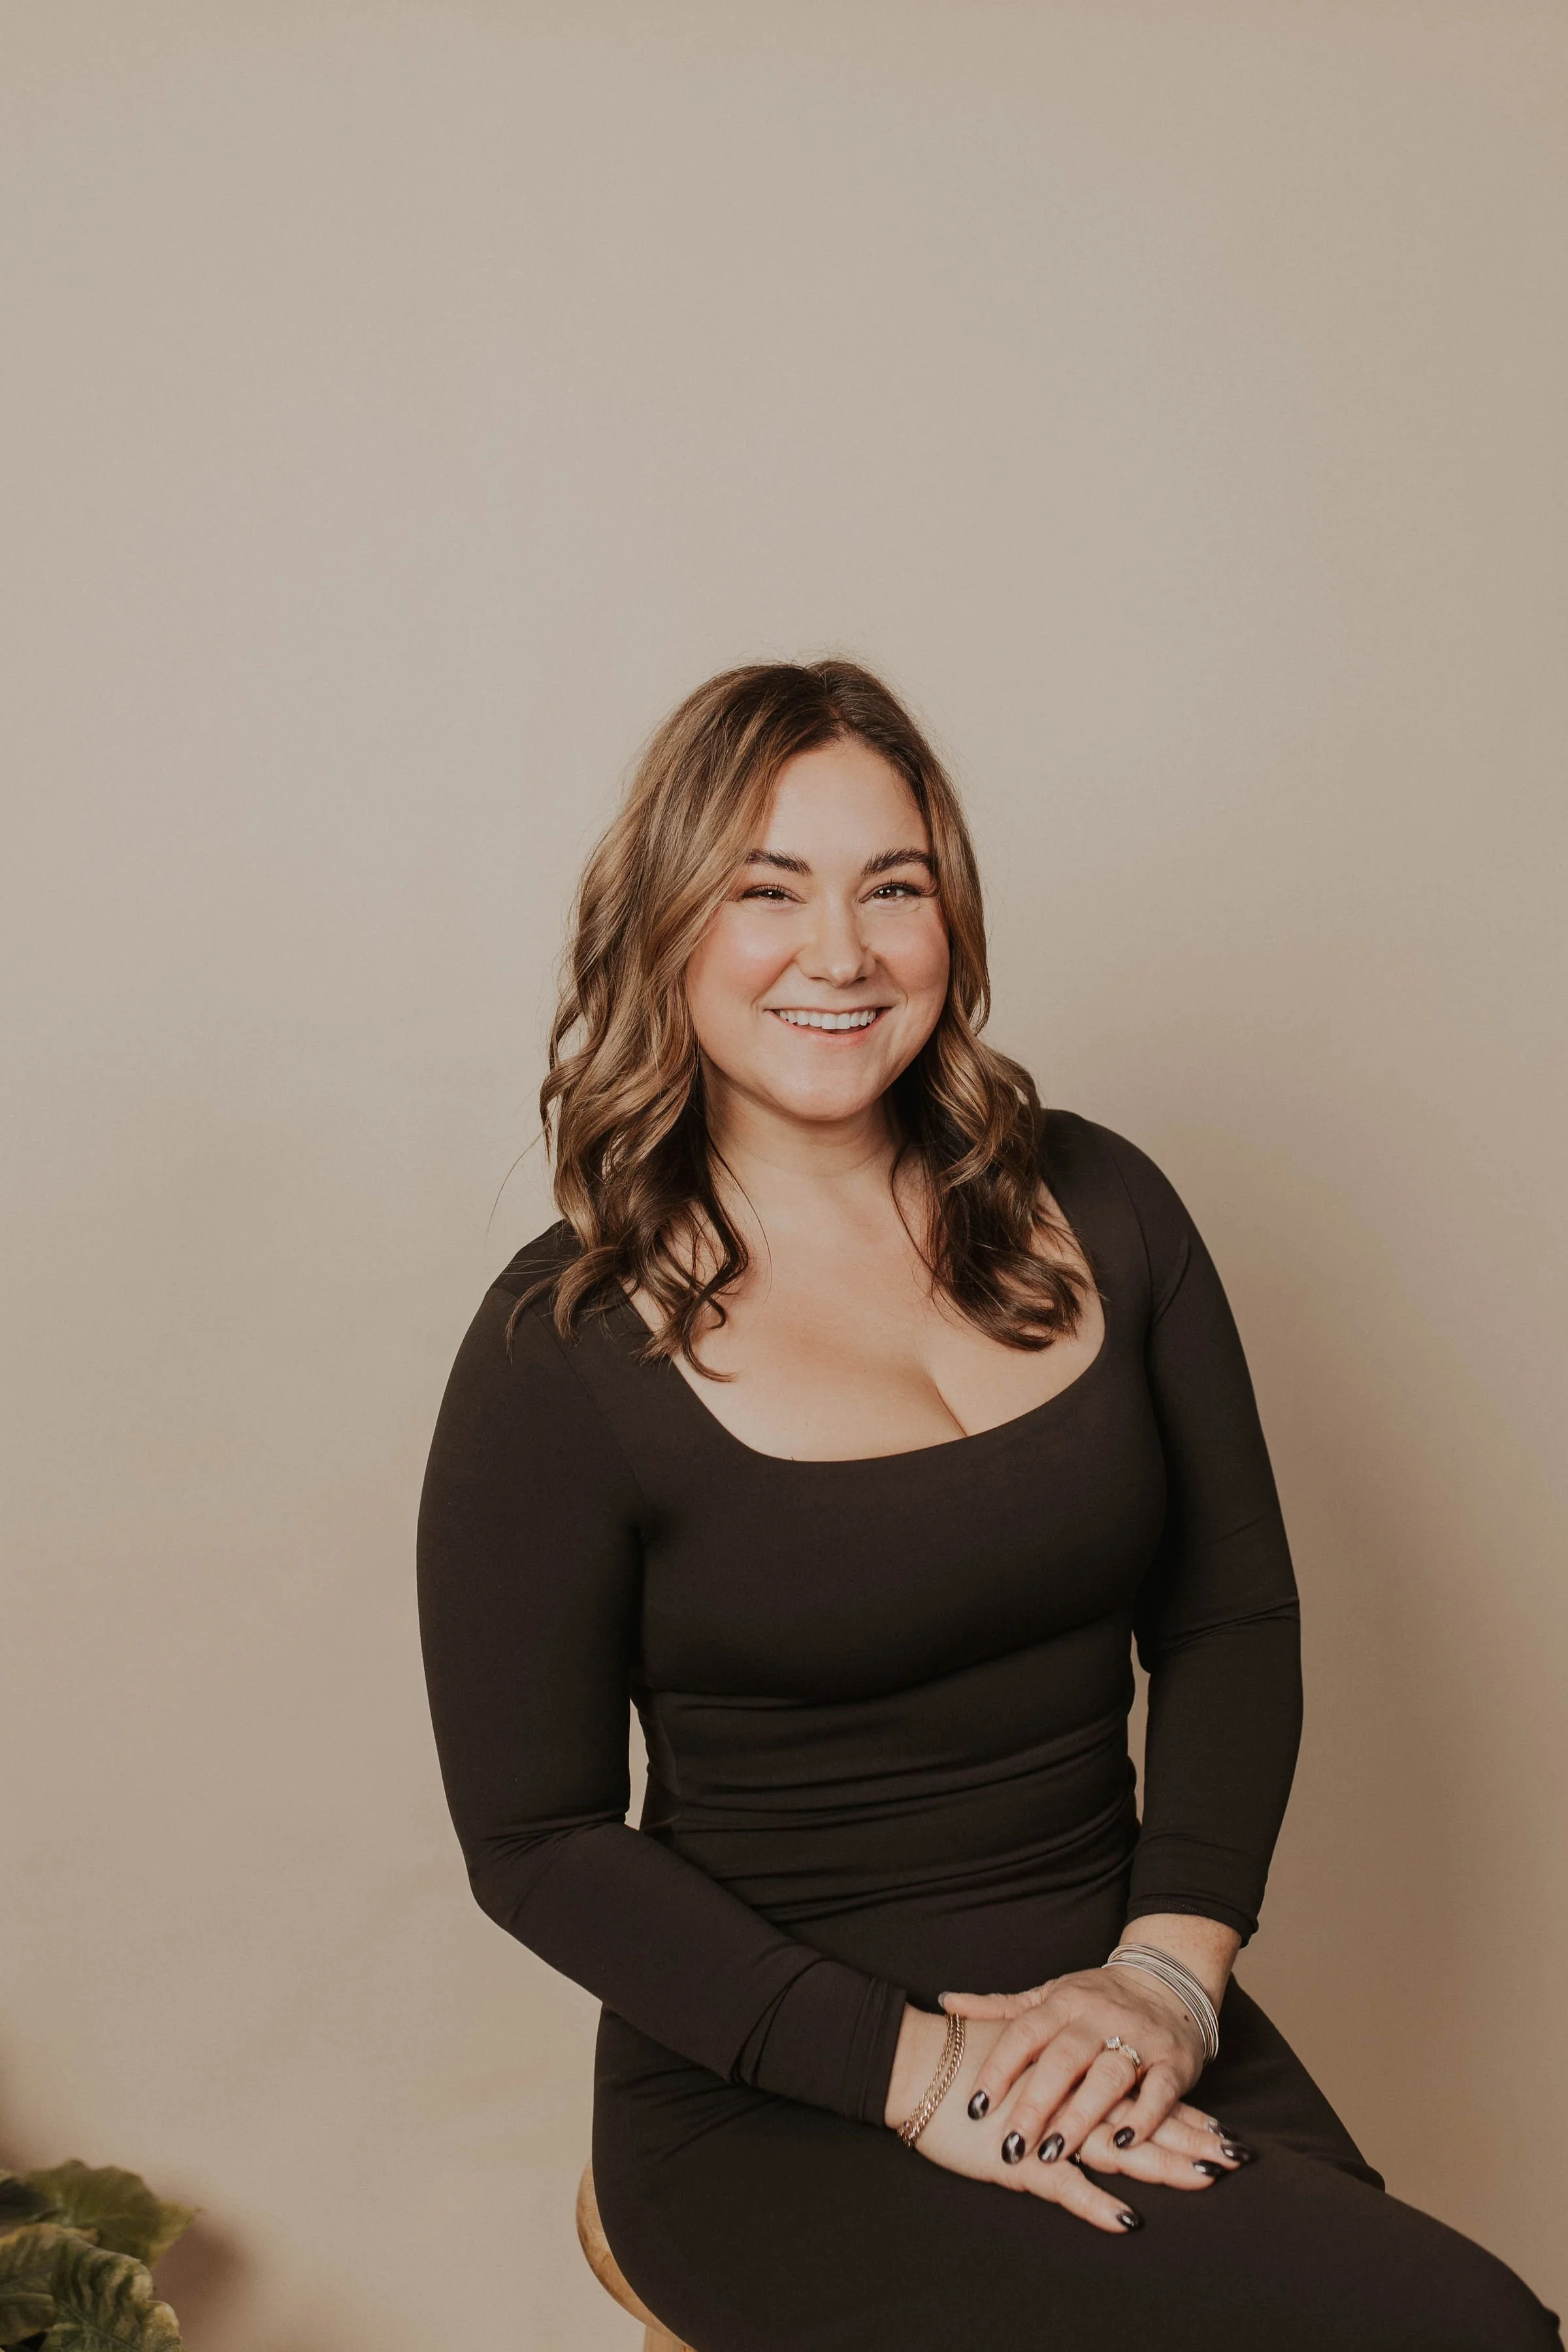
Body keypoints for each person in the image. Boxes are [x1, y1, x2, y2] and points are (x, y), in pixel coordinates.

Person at [416, 661, 1560, 2350]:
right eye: (767, 890)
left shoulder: (1105, 1202)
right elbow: (537, 1844)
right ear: (663, 929)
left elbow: (1233, 1618)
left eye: (896, 886)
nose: (841, 951)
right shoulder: (561, 1349)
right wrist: (921, 2075)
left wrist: (1166, 1979)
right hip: (779, 2082)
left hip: (1119, 2010)